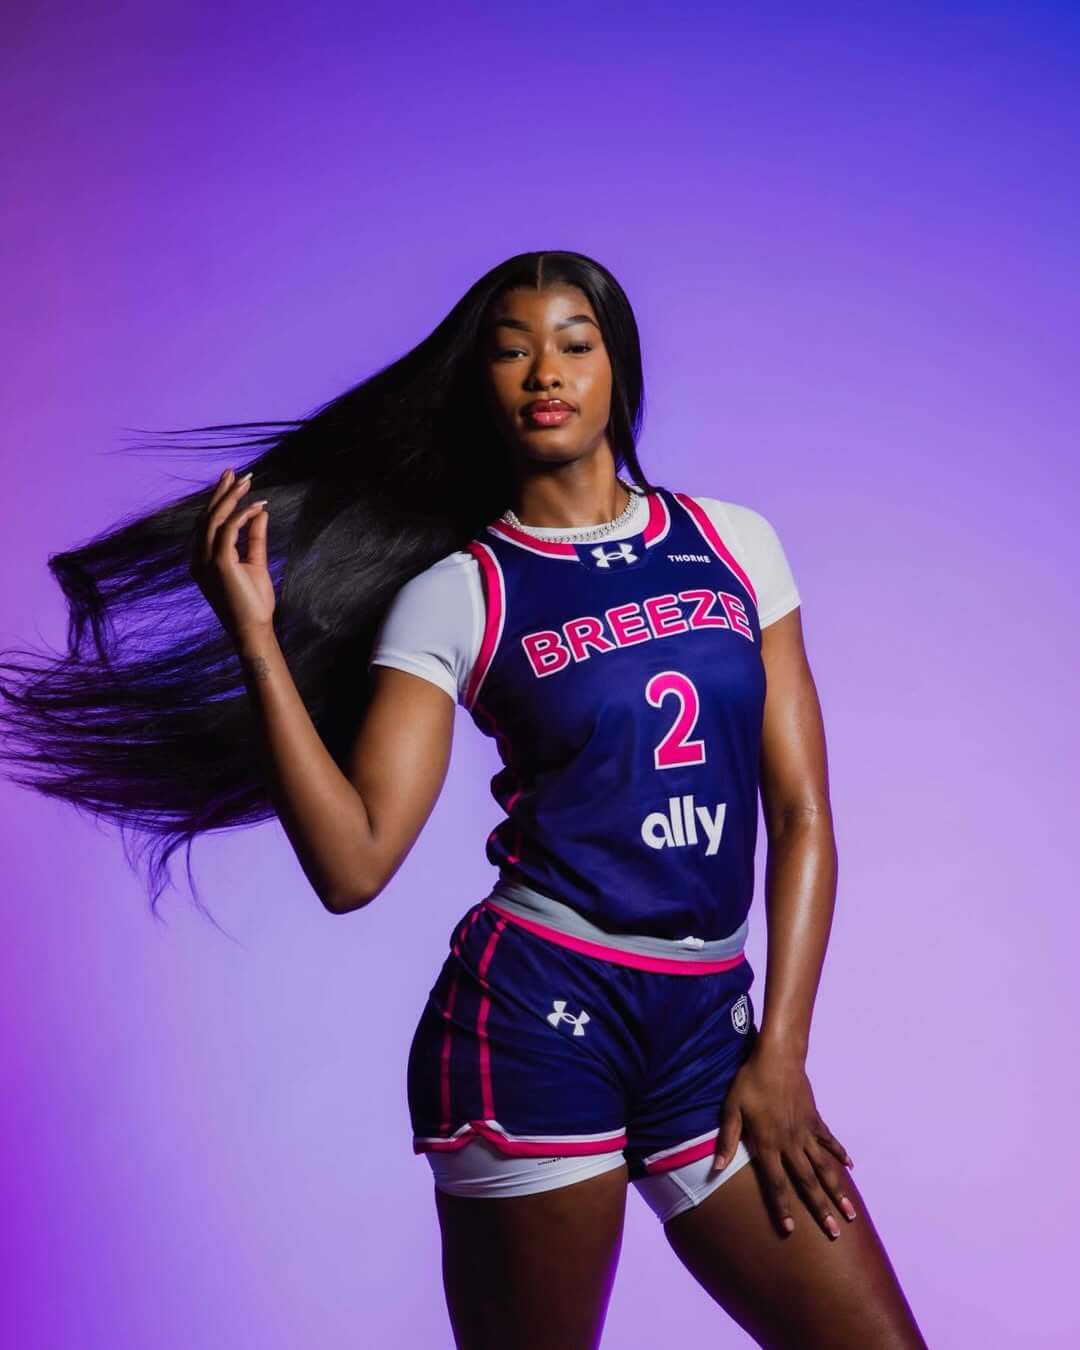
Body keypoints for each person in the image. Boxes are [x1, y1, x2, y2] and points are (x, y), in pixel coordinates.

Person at [0, 250, 927, 1348]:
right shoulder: (459, 594)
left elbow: (804, 813)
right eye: (512, 349)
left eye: (574, 344)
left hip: (708, 1030)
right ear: (482, 386)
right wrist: (254, 636)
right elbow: (353, 866)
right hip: (538, 1021)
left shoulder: (735, 544)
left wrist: (781, 1054)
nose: (546, 371)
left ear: (615, 370)